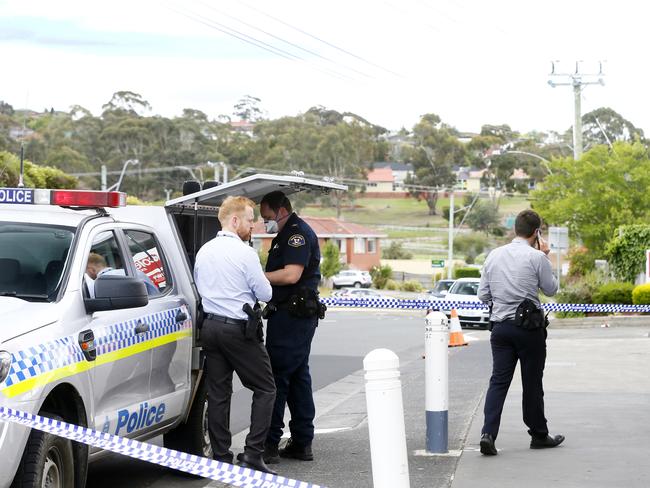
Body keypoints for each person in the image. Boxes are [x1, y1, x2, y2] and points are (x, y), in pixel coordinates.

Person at [193, 196, 277, 474]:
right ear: (235, 220)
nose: (253, 226)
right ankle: (253, 453)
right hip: (238, 330)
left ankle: (221, 456)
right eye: (251, 220)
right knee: (265, 388)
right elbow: (266, 293)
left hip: (211, 328)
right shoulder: (245, 253)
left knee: (218, 393)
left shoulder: (204, 251)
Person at [477, 209, 564, 455]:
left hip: (500, 329)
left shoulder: (494, 255)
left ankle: (488, 434)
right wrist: (546, 257)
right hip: (529, 330)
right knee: (532, 382)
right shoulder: (537, 258)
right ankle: (538, 434)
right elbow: (551, 289)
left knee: (498, 381)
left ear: (516, 229)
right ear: (537, 233)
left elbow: (483, 295)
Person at [260, 191, 322, 464]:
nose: (266, 223)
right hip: (292, 316)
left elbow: (291, 274)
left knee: (277, 378)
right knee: (298, 378)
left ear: (281, 210)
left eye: (267, 217)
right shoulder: (286, 235)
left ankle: (269, 445)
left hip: (292, 317)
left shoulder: (296, 235)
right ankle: (301, 442)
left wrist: (257, 277)